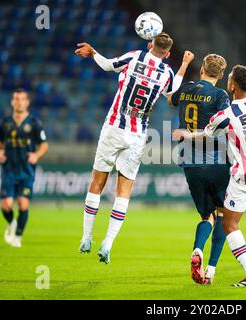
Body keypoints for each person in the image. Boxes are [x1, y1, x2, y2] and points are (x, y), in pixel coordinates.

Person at [74, 33, 194, 264]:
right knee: (124, 190)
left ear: (149, 45)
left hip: (114, 128)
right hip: (138, 134)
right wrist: (185, 64)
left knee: (97, 182)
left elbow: (108, 65)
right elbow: (173, 92)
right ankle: (107, 244)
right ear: (168, 54)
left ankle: (86, 237)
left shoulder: (134, 57)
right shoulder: (167, 73)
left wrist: (93, 52)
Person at [173, 65, 246, 287]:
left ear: (232, 85)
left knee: (228, 224)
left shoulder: (226, 115)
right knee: (224, 216)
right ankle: (211, 270)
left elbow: (205, 135)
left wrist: (184, 133)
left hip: (244, 174)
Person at [168, 54, 229, 285]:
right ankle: (211, 270)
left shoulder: (185, 89)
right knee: (223, 214)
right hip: (216, 161)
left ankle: (197, 250)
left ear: (202, 69)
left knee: (206, 216)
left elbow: (168, 99)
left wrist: (182, 65)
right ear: (221, 75)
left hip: (190, 164)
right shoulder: (220, 95)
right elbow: (225, 123)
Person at [0, 88, 49, 248]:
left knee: (23, 204)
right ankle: (11, 223)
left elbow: (44, 145)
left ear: (27, 102)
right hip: (9, 169)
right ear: (12, 102)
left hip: (26, 170)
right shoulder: (5, 123)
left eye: (22, 99)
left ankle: (17, 236)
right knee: (5, 205)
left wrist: (36, 156)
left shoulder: (34, 123)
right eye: (16, 99)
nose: (19, 102)